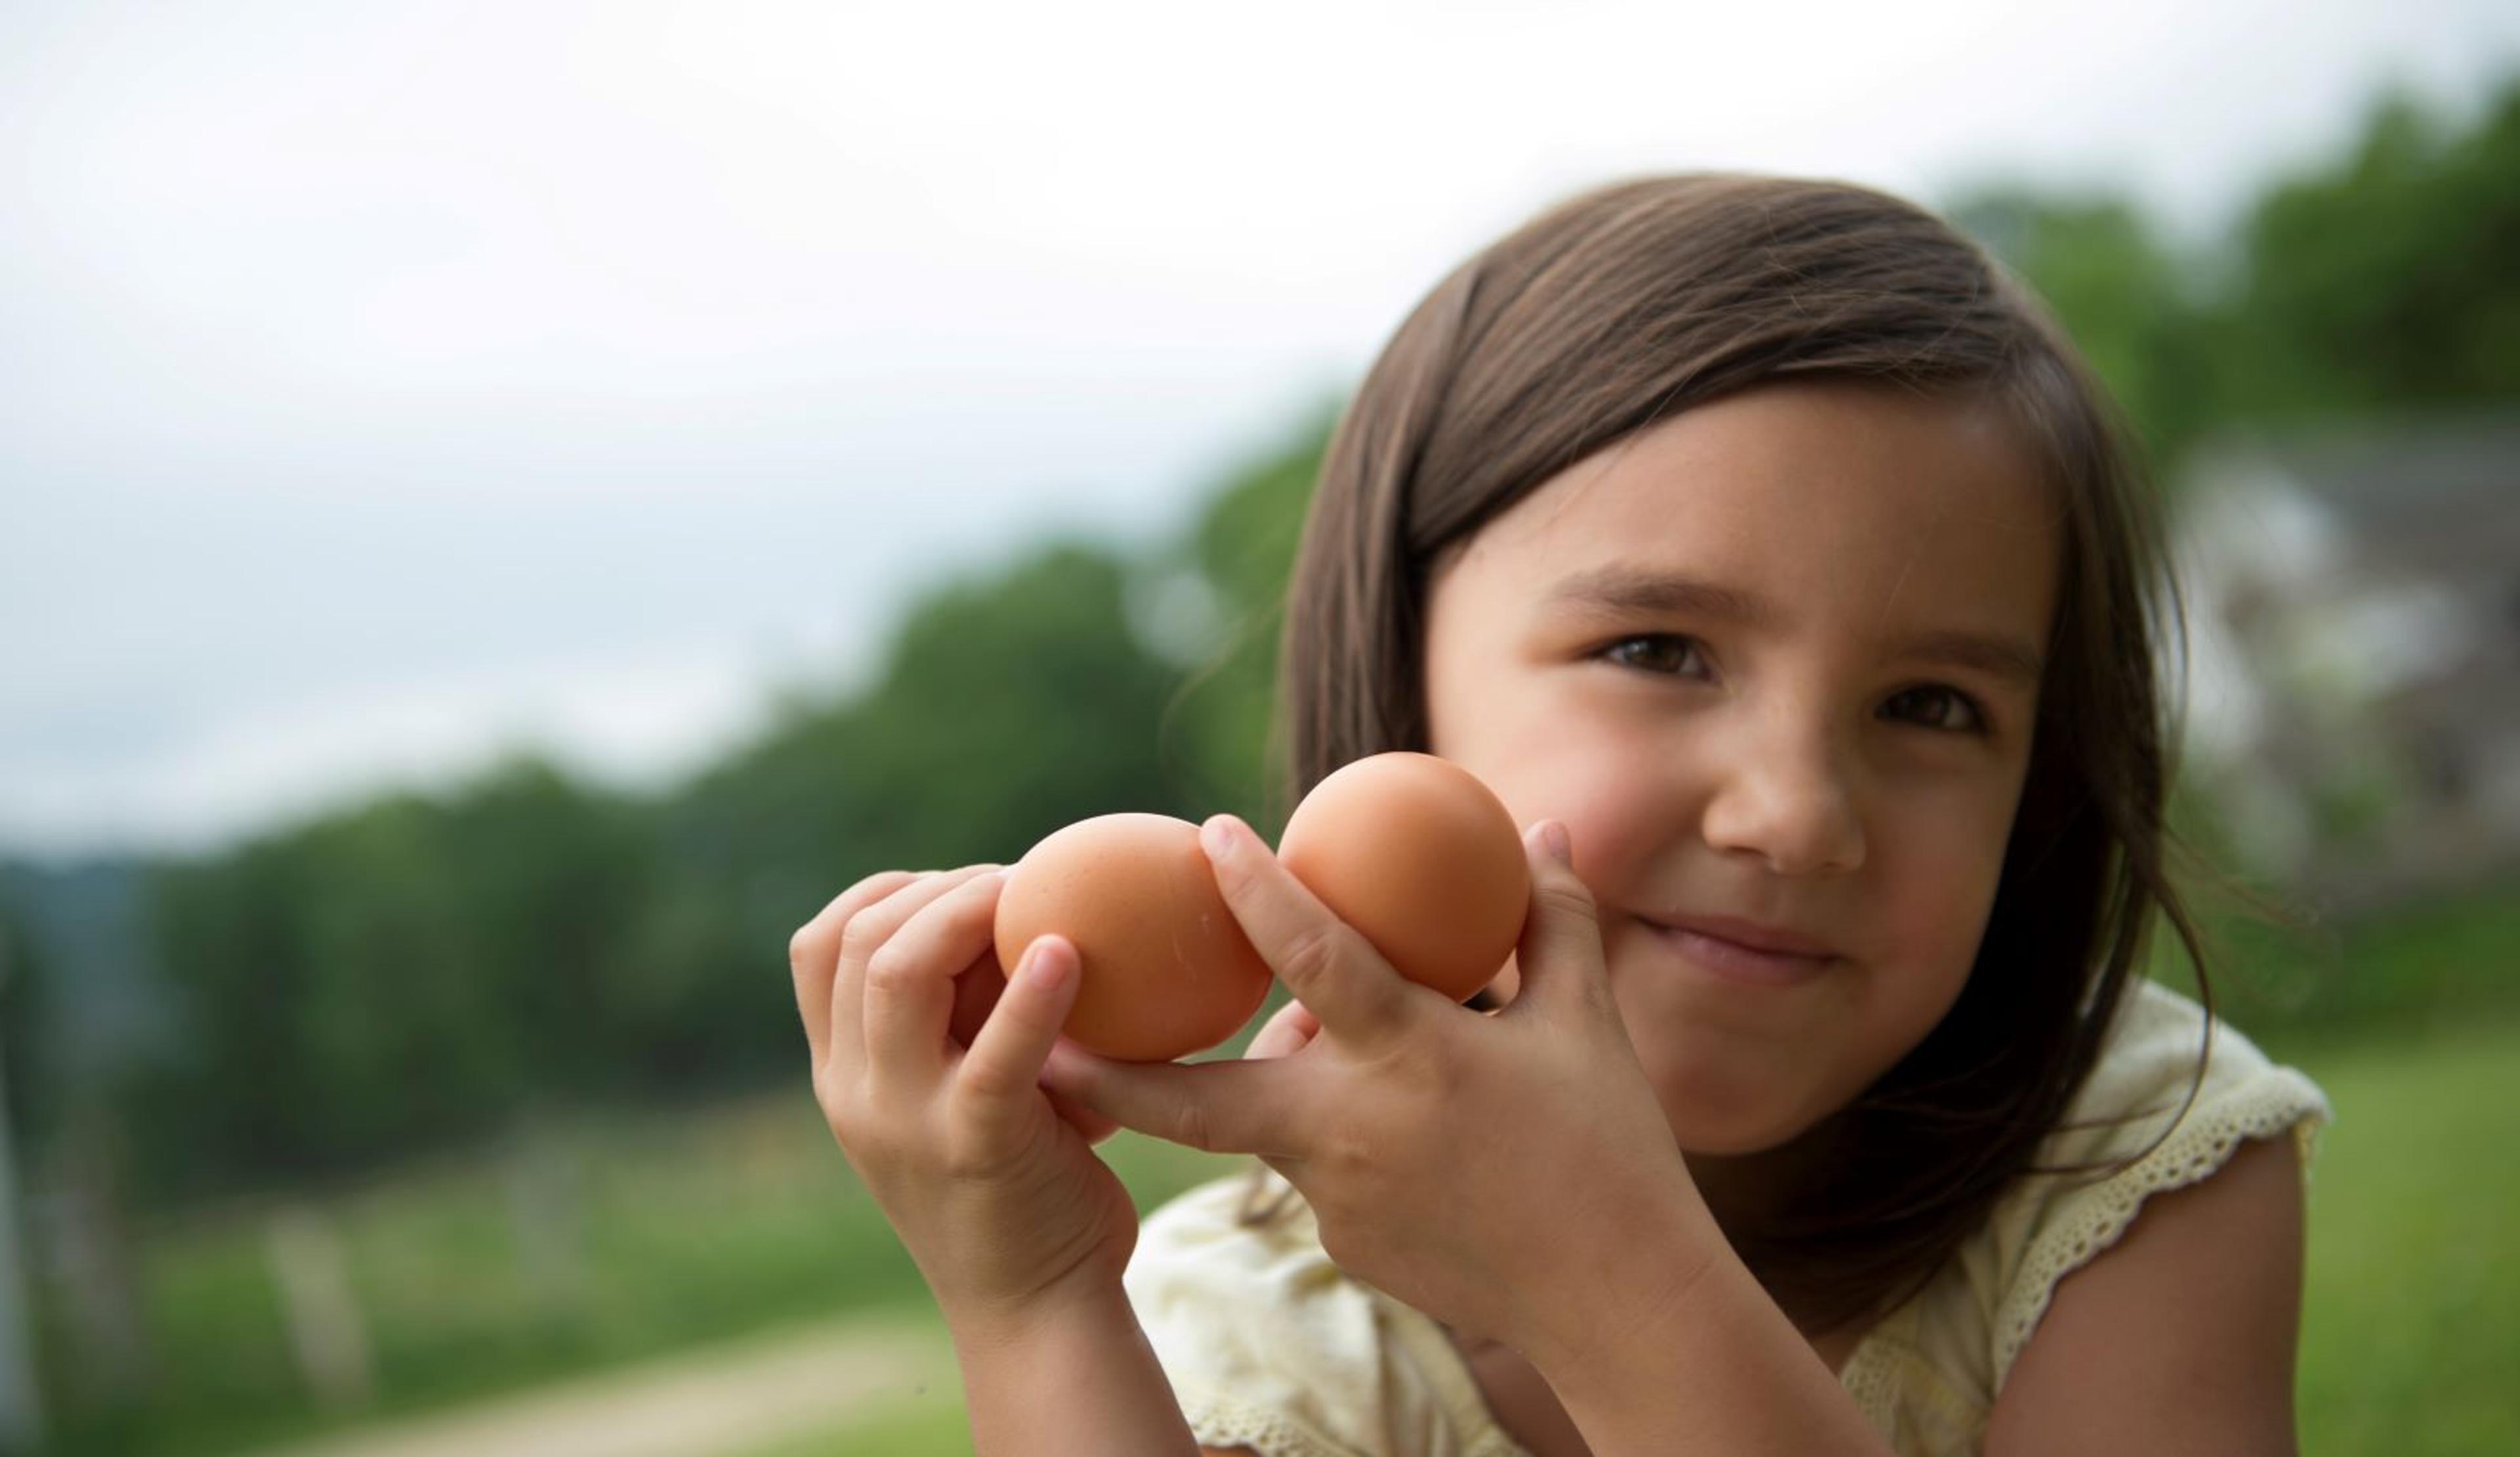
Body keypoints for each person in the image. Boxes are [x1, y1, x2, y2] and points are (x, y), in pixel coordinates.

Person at [787, 173, 2332, 1456]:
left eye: (1934, 706)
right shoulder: (1254, 1329)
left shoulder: (2129, 1161)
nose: (1797, 814)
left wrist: (1601, 1271)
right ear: (1403, 685)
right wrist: (1039, 1302)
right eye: (1658, 651)